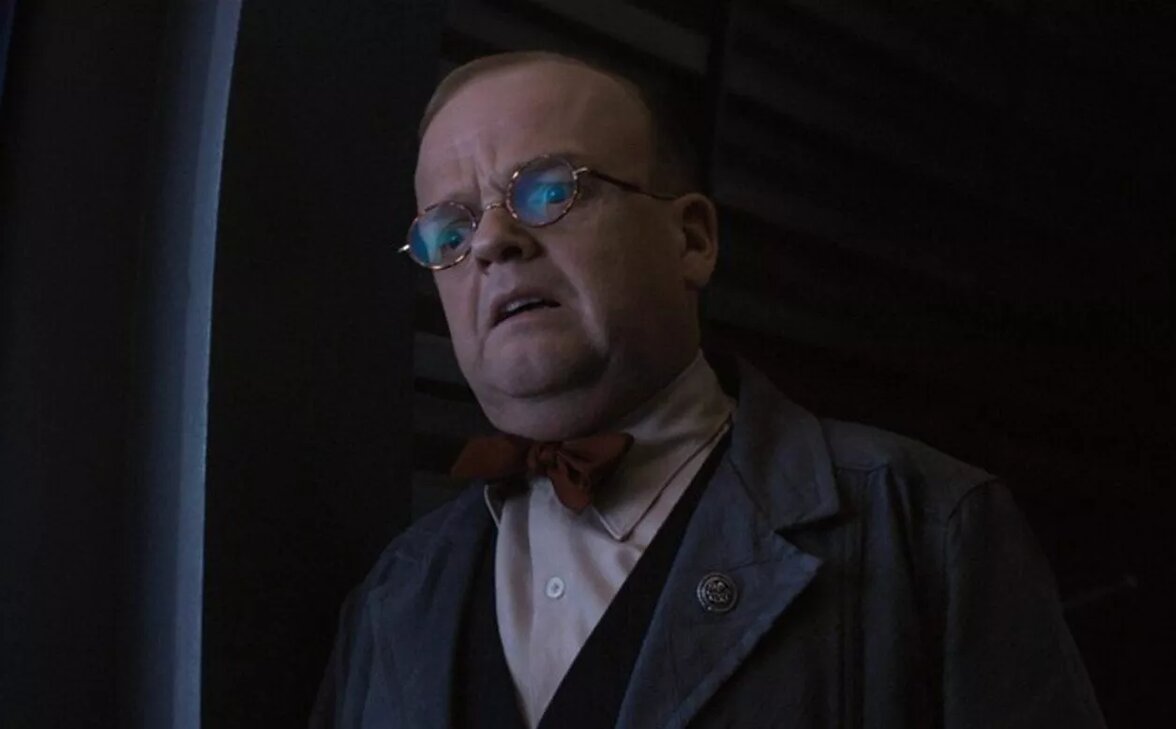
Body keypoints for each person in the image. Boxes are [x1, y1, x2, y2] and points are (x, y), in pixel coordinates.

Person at [311, 51, 1106, 729]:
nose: (490, 241)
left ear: (691, 239)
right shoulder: (393, 595)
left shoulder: (931, 528)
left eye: (548, 191)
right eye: (449, 232)